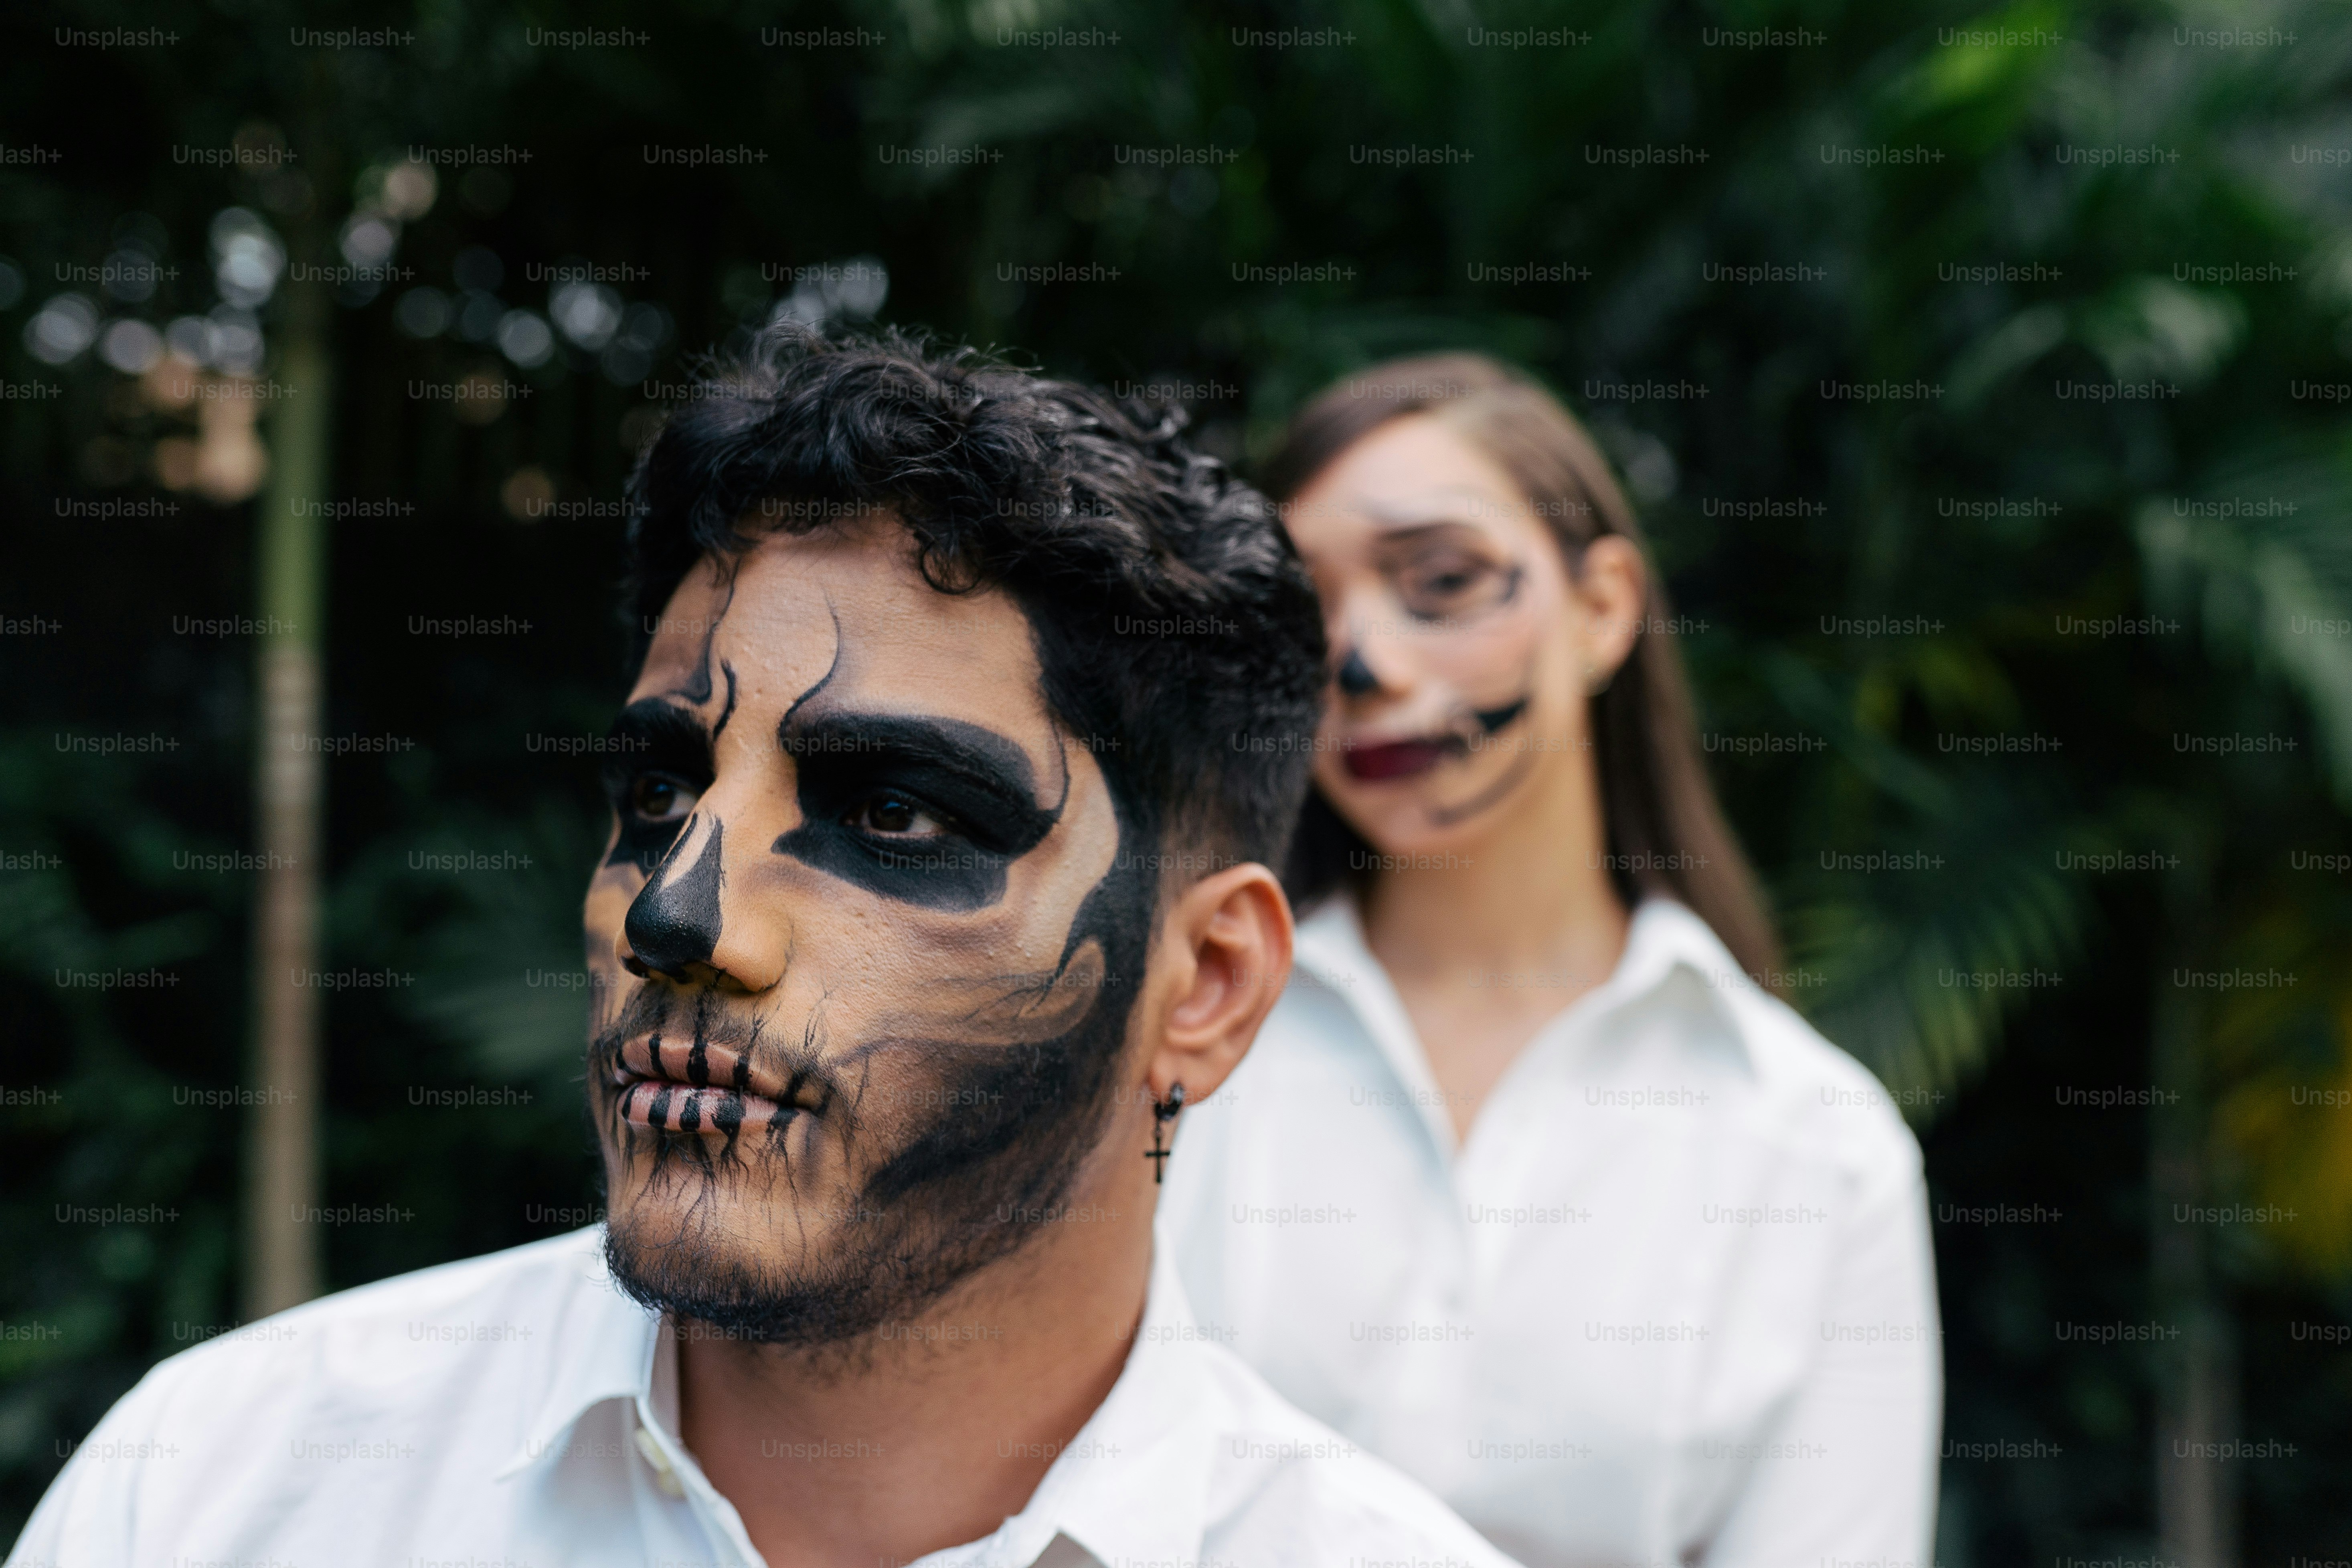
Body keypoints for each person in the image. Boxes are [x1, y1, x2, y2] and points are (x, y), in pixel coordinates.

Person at [12, 330, 1522, 1568]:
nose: (681, 916)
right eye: (659, 790)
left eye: (893, 813)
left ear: (1206, 987)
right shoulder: (221, 1493)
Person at [1159, 353, 1942, 1568]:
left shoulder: (1817, 1152)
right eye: (1305, 616)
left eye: (1441, 581)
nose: (1360, 665)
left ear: (1603, 606)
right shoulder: (1174, 1052)